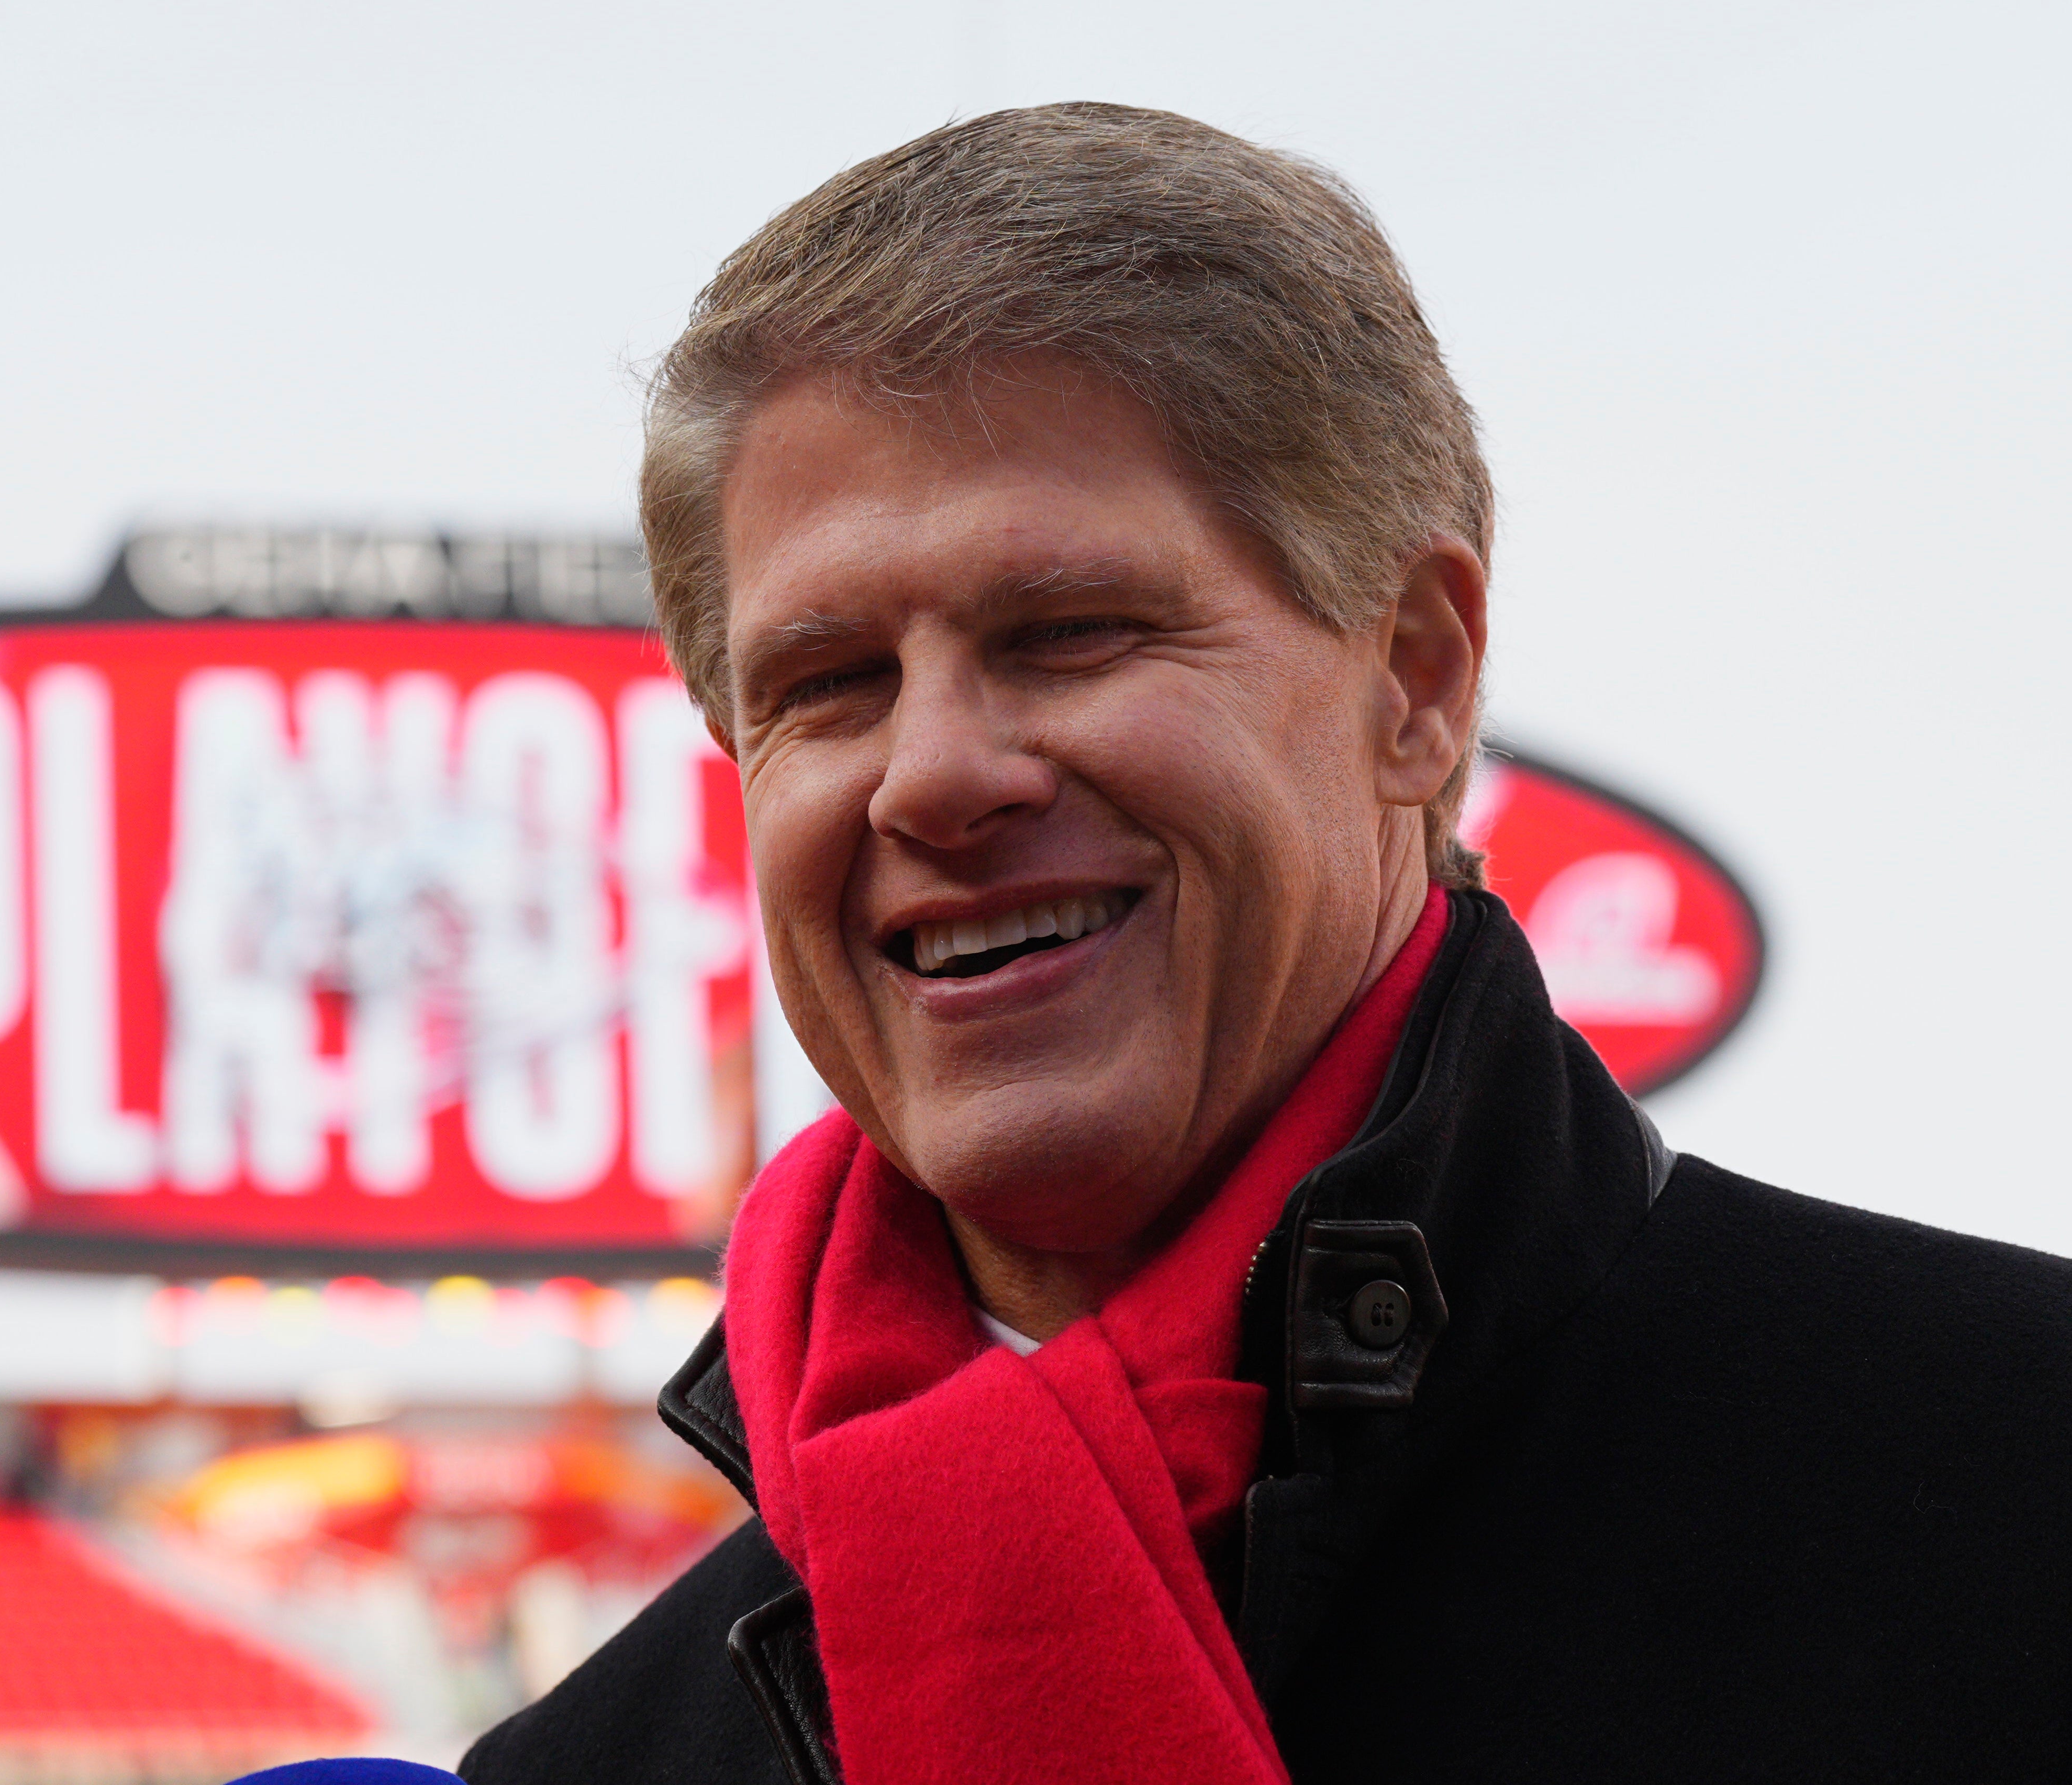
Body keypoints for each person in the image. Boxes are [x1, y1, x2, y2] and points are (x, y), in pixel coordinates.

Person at [459, 104, 2072, 1784]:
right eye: (828, 685)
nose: (931, 771)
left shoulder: (2018, 1480)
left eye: (1066, 633)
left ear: (1417, 679)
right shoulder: (586, 1767)